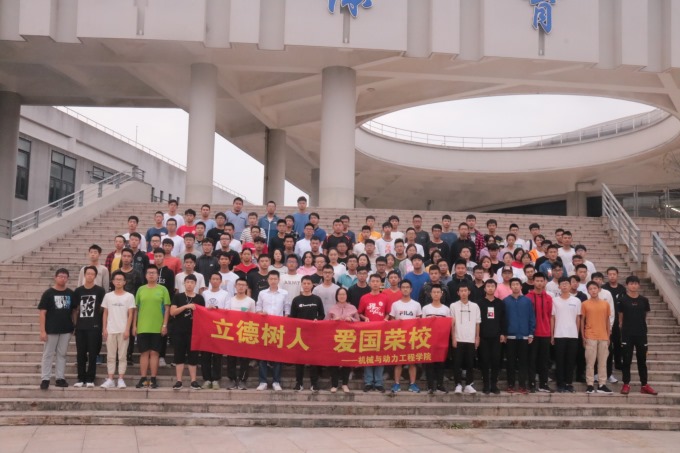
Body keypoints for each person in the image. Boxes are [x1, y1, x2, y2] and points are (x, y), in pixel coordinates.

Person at [133, 266, 171, 389]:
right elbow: (136, 309)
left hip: (157, 326)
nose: (151, 275)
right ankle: (143, 378)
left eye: (153, 273)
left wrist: (164, 325)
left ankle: (153, 378)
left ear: (157, 275)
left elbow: (167, 309)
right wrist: (134, 325)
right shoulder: (141, 289)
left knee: (154, 353)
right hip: (143, 326)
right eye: (149, 273)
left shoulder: (163, 289)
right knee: (144, 353)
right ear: (145, 275)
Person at [619, 275, 657, 395]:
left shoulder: (644, 300)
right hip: (627, 334)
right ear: (627, 285)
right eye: (631, 283)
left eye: (635, 283)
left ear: (639, 285)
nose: (633, 286)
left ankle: (644, 385)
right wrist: (623, 329)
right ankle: (626, 384)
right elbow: (620, 318)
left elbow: (644, 315)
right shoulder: (622, 300)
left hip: (641, 334)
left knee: (642, 360)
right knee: (626, 360)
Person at [38, 268, 75, 390]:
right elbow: (42, 313)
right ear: (55, 277)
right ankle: (45, 378)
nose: (62, 279)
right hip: (51, 329)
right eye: (60, 276)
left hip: (66, 329)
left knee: (62, 354)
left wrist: (74, 325)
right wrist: (42, 331)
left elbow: (74, 311)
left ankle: (60, 378)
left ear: (67, 279)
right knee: (48, 354)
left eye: (65, 277)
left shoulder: (70, 293)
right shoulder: (48, 293)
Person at [100, 270, 136, 389]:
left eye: (121, 280)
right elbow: (105, 313)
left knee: (122, 356)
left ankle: (120, 379)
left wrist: (127, 329)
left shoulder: (129, 296)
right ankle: (110, 379)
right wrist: (104, 328)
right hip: (110, 330)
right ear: (113, 281)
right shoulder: (108, 296)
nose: (118, 281)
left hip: (123, 330)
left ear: (125, 282)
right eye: (116, 279)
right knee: (110, 356)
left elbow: (131, 314)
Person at [73, 266, 106, 388]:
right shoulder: (78, 291)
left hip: (94, 326)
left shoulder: (100, 291)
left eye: (92, 274)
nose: (90, 276)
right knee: (80, 354)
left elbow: (103, 309)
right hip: (81, 327)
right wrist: (75, 324)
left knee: (93, 354)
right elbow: (75, 309)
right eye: (88, 273)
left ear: (95, 276)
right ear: (84, 275)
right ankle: (81, 378)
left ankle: (90, 379)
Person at [290, 276, 325, 392]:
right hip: (299, 334)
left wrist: (317, 319)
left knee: (313, 359)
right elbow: (292, 317)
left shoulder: (317, 299)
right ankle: (299, 383)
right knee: (299, 359)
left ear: (312, 285)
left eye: (308, 283)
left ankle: (314, 383)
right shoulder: (296, 300)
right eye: (304, 283)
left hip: (313, 333)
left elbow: (322, 314)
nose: (306, 285)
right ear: (301, 284)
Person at [170, 274, 204, 390]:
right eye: (187, 282)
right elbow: (172, 312)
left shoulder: (199, 298)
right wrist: (186, 306)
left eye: (192, 282)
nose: (189, 284)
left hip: (194, 332)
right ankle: (179, 381)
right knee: (179, 356)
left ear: (195, 284)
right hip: (179, 331)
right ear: (184, 283)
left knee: (193, 357)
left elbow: (203, 314)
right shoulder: (178, 297)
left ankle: (193, 381)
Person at [256, 271, 289, 391]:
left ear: (279, 280)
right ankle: (263, 381)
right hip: (264, 327)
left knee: (277, 355)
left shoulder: (284, 293)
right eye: (271, 279)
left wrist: (284, 321)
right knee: (262, 354)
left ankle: (276, 381)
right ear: (268, 280)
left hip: (278, 328)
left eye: (275, 279)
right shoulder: (262, 293)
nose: (273, 281)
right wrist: (261, 313)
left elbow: (287, 309)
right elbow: (258, 308)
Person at [388, 280, 423, 393]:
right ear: (400, 289)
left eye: (407, 287)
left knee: (412, 362)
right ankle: (396, 384)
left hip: (412, 337)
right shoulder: (395, 304)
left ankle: (412, 384)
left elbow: (420, 321)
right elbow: (392, 321)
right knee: (398, 362)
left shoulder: (416, 304)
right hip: (399, 337)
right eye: (403, 287)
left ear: (411, 289)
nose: (405, 289)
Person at [358, 274, 389, 392]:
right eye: (373, 281)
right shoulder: (364, 298)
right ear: (369, 283)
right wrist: (364, 318)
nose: (375, 283)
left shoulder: (385, 297)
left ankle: (379, 382)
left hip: (381, 331)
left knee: (380, 356)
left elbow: (388, 313)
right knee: (368, 356)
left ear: (381, 284)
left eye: (377, 281)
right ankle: (368, 382)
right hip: (368, 332)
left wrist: (386, 318)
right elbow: (359, 312)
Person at [504, 278, 536, 394]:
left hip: (524, 337)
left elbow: (531, 317)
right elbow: (503, 319)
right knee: (510, 362)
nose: (515, 286)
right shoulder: (505, 301)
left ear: (521, 286)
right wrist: (504, 333)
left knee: (523, 362)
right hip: (510, 337)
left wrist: (531, 333)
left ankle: (522, 385)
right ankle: (511, 385)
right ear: (510, 287)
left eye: (517, 284)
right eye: (513, 284)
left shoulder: (527, 301)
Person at [581, 281, 613, 394]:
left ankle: (602, 384)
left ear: (599, 289)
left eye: (595, 288)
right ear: (588, 291)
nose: (593, 290)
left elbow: (607, 321)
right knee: (590, 362)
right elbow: (582, 321)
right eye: (590, 289)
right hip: (590, 336)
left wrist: (608, 336)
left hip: (603, 336)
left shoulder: (605, 304)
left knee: (603, 362)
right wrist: (583, 336)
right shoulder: (585, 304)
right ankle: (590, 384)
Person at [551, 277, 581, 393]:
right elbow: (552, 318)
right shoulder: (555, 301)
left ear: (570, 285)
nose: (564, 285)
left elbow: (578, 318)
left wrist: (577, 333)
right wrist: (552, 335)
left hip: (573, 335)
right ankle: (560, 384)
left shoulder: (576, 301)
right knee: (560, 360)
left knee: (571, 360)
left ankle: (569, 383)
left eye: (566, 283)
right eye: (562, 284)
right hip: (559, 335)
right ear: (559, 286)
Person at [225, 278, 256, 390]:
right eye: (239, 284)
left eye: (243, 285)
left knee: (244, 358)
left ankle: (243, 380)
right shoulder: (230, 301)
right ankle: (232, 380)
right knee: (231, 358)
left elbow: (253, 318)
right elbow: (226, 316)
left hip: (245, 332)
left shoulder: (251, 301)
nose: (241, 287)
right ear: (235, 286)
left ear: (246, 287)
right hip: (232, 332)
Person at [450, 284, 481, 394]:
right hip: (458, 338)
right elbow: (452, 324)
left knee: (470, 363)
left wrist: (477, 337)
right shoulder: (453, 306)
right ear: (458, 293)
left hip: (471, 339)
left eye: (465, 290)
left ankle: (469, 384)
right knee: (457, 363)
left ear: (469, 292)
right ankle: (458, 384)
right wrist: (453, 338)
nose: (463, 293)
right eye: (461, 291)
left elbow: (477, 323)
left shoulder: (475, 306)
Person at [201, 272, 230, 389]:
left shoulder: (225, 294)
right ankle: (207, 379)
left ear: (221, 281)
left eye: (217, 279)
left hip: (219, 327)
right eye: (213, 279)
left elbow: (227, 310)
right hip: (205, 326)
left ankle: (216, 379)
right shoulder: (205, 293)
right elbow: (201, 308)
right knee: (205, 355)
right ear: (209, 280)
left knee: (217, 355)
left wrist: (216, 309)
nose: (215, 281)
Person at [526, 272, 554, 393]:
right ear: (533, 282)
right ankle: (531, 383)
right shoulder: (528, 297)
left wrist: (551, 333)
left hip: (545, 333)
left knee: (544, 360)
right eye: (537, 281)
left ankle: (544, 384)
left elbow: (550, 316)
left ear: (545, 282)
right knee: (531, 360)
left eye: (541, 281)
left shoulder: (549, 298)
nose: (539, 283)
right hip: (532, 334)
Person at [477, 279, 506, 395]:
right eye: (488, 286)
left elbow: (503, 319)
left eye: (492, 286)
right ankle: (486, 385)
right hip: (483, 336)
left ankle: (494, 385)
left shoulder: (500, 303)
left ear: (495, 288)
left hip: (496, 337)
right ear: (484, 288)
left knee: (496, 361)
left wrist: (503, 333)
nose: (490, 288)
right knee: (484, 361)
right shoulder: (479, 303)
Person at [421, 284, 451, 394]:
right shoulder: (425, 308)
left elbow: (449, 325)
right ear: (430, 294)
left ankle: (440, 385)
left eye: (438, 292)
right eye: (434, 292)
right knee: (429, 363)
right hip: (428, 341)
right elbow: (422, 324)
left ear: (442, 294)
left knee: (440, 363)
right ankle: (430, 386)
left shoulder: (446, 309)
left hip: (442, 340)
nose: (436, 294)